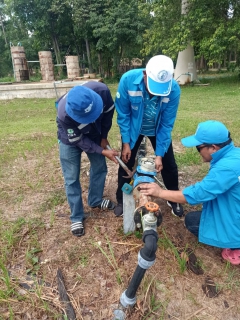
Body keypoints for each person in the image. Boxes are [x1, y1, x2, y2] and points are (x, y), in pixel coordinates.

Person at [139, 120, 240, 265]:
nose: (198, 152)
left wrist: (160, 192)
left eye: (199, 148)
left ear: (213, 148)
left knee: (192, 221)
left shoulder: (225, 169)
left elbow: (196, 195)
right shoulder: (234, 154)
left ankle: (236, 245)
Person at [114, 55, 183, 217]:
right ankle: (122, 199)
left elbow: (166, 124)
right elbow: (123, 113)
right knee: (126, 161)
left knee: (169, 164)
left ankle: (174, 199)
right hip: (133, 129)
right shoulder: (128, 80)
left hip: (157, 128)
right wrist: (126, 142)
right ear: (145, 74)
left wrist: (159, 155)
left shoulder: (173, 89)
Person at [56, 82, 118, 237]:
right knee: (71, 178)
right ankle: (76, 216)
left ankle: (95, 200)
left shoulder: (102, 91)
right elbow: (79, 140)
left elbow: (108, 115)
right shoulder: (64, 113)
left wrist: (103, 137)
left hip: (95, 134)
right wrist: (102, 151)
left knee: (100, 167)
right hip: (70, 139)